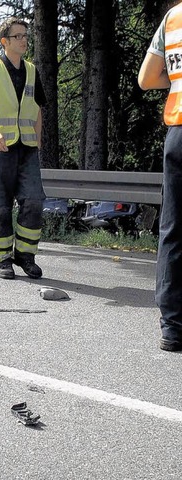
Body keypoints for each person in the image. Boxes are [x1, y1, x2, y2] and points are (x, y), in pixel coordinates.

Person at [0, 17, 47, 280]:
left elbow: (37, 107)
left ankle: (26, 256)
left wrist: (38, 140)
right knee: (1, 205)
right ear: (5, 41)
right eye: (18, 36)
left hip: (27, 146)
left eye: (26, 35)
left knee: (34, 201)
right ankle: (3, 258)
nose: (25, 40)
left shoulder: (31, 70)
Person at [138, 3, 182, 352]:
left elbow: (147, 78)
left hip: (179, 133)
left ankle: (173, 326)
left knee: (174, 229)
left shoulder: (173, 17)